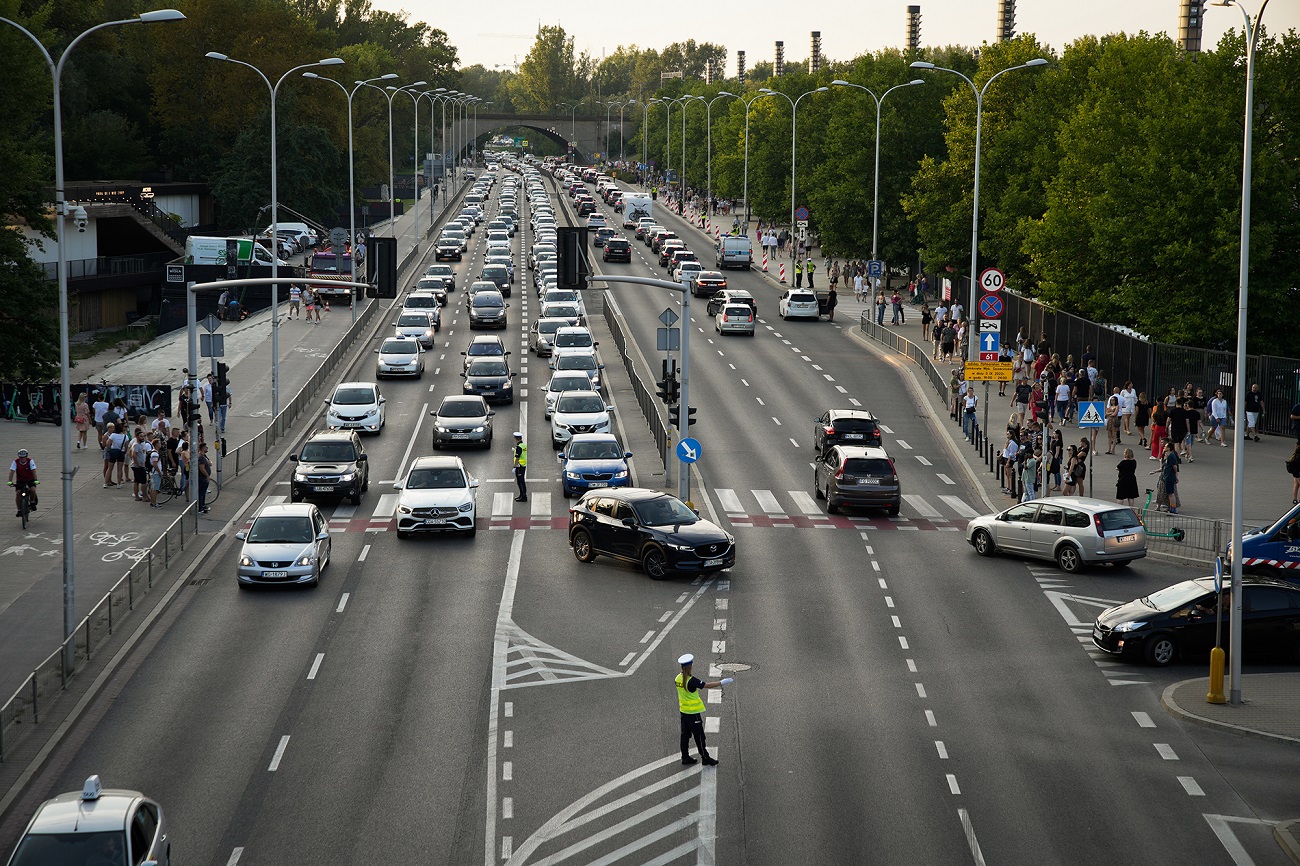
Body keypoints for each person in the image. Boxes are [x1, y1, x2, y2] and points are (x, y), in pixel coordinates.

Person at [675, 653, 730, 766]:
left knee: (685, 736)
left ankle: (685, 757)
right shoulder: (691, 680)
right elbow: (706, 685)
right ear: (690, 666)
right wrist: (721, 682)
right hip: (693, 713)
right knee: (699, 736)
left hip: (683, 711)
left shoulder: (677, 678)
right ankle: (705, 757)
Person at [1153, 439, 1181, 513]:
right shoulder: (1168, 456)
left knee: (1171, 494)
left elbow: (1175, 467)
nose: (1164, 447)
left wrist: (1175, 476)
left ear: (1169, 448)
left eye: (1165, 446)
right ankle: (1171, 508)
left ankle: (1173, 509)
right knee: (1169, 494)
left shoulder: (1171, 456)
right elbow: (1164, 467)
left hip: (1169, 477)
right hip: (1167, 477)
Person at [8, 449, 38, 517]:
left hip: (30, 479)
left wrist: (36, 480)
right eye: (21, 457)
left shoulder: (30, 461)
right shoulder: (15, 462)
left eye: (24, 457)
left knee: (33, 490)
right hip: (20, 480)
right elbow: (12, 471)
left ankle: (32, 502)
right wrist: (10, 481)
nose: (22, 459)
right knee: (18, 493)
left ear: (26, 456)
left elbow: (33, 470)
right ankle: (19, 510)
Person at [129, 428, 153, 502]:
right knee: (143, 482)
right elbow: (133, 454)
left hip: (141, 465)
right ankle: (144, 496)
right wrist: (137, 463)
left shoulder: (142, 444)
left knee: (136, 481)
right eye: (141, 436)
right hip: (138, 466)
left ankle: (137, 496)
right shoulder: (136, 444)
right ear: (137, 437)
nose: (143, 438)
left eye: (143, 436)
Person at [512, 431, 528, 502]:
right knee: (522, 481)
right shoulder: (523, 445)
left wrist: (514, 466)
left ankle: (523, 496)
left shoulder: (519, 447)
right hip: (523, 465)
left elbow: (517, 458)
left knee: (520, 482)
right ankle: (522, 495)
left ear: (516, 439)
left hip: (519, 466)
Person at [197, 442, 212, 513]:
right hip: (203, 478)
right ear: (203, 448)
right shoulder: (201, 458)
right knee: (201, 493)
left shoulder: (204, 456)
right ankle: (200, 508)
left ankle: (202, 506)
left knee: (203, 493)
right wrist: (207, 475)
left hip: (204, 478)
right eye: (206, 447)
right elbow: (202, 468)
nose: (207, 448)